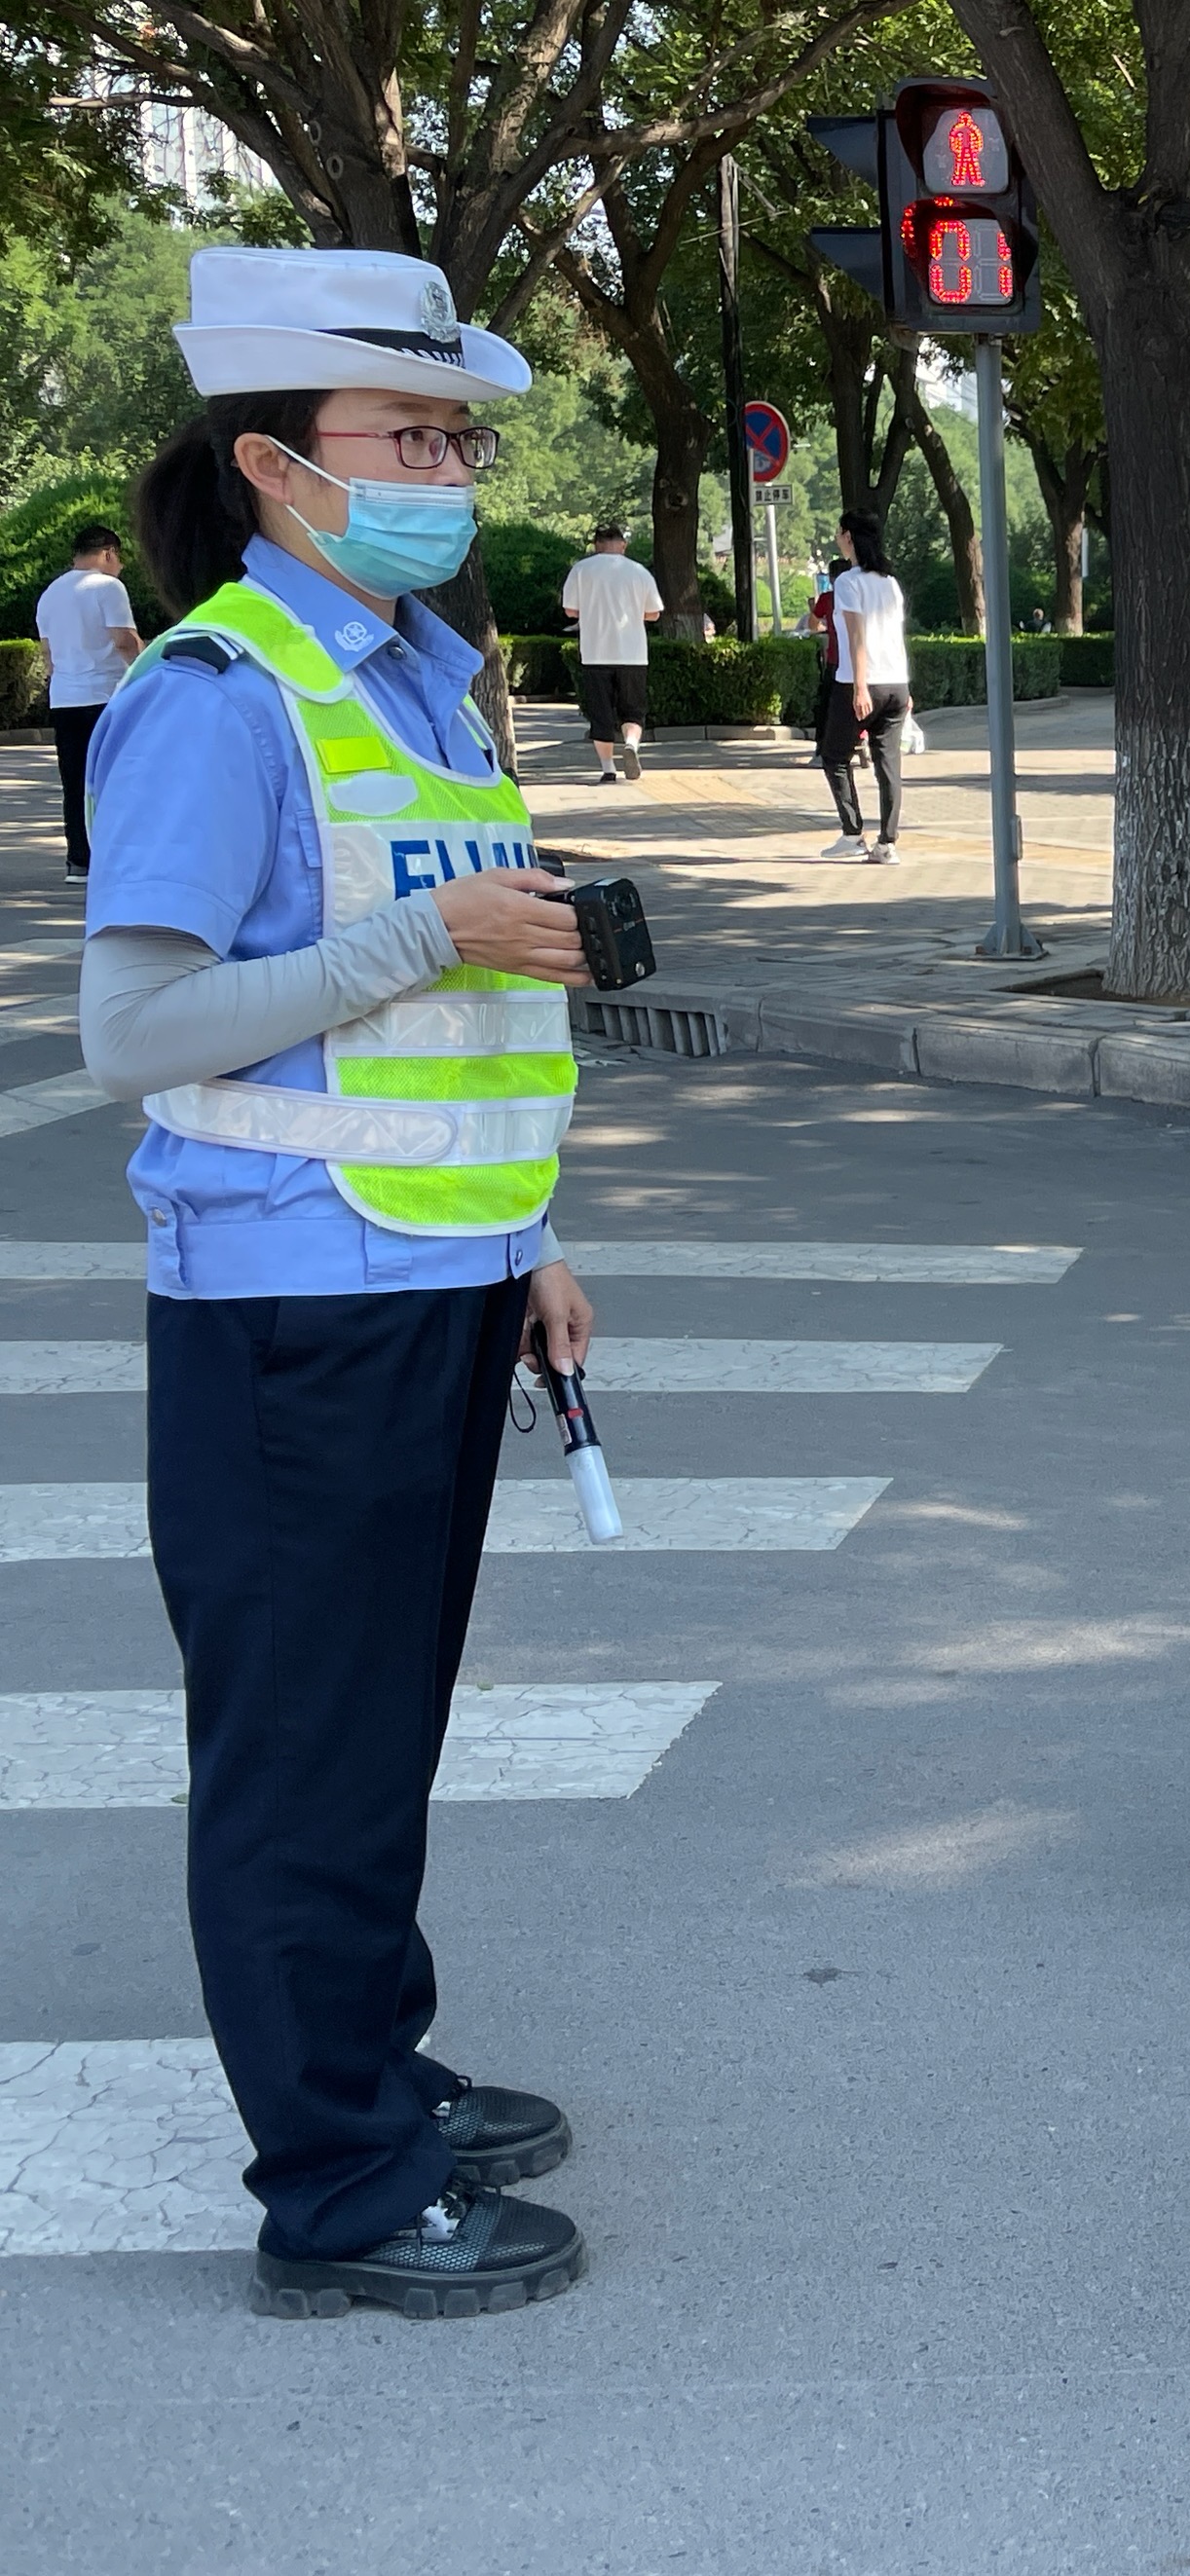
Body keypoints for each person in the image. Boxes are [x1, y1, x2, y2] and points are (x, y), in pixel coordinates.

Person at [74, 244, 606, 2320]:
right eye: (417, 438)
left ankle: (374, 2063)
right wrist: (421, 941)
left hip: (432, 1275)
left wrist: (531, 1240)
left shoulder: (415, 671)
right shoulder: (215, 696)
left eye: (462, 436)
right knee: (303, 1748)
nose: (456, 470)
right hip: (288, 1304)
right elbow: (135, 1031)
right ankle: (341, 2186)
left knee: (376, 1727)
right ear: (279, 466)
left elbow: (469, 1004)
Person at [39, 522, 143, 878]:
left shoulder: (50, 593)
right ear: (108, 553)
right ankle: (119, 857)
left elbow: (48, 654)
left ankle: (79, 860)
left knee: (75, 783)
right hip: (107, 696)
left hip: (66, 698)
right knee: (118, 778)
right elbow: (123, 641)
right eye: (119, 559)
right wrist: (147, 670)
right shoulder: (107, 586)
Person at [820, 512, 909, 864]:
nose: (838, 537)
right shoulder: (890, 583)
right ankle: (887, 844)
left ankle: (853, 833)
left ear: (849, 538)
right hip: (895, 682)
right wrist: (906, 686)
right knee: (888, 764)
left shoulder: (847, 582)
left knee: (835, 757)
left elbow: (857, 637)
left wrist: (859, 687)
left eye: (840, 531)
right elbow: (895, 636)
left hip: (860, 681)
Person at [557, 520, 661, 783]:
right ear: (623, 545)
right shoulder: (639, 572)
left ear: (596, 545)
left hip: (595, 653)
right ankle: (631, 744)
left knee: (600, 714)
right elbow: (654, 613)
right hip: (633, 654)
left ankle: (608, 768)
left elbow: (570, 610)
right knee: (633, 711)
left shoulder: (581, 570)